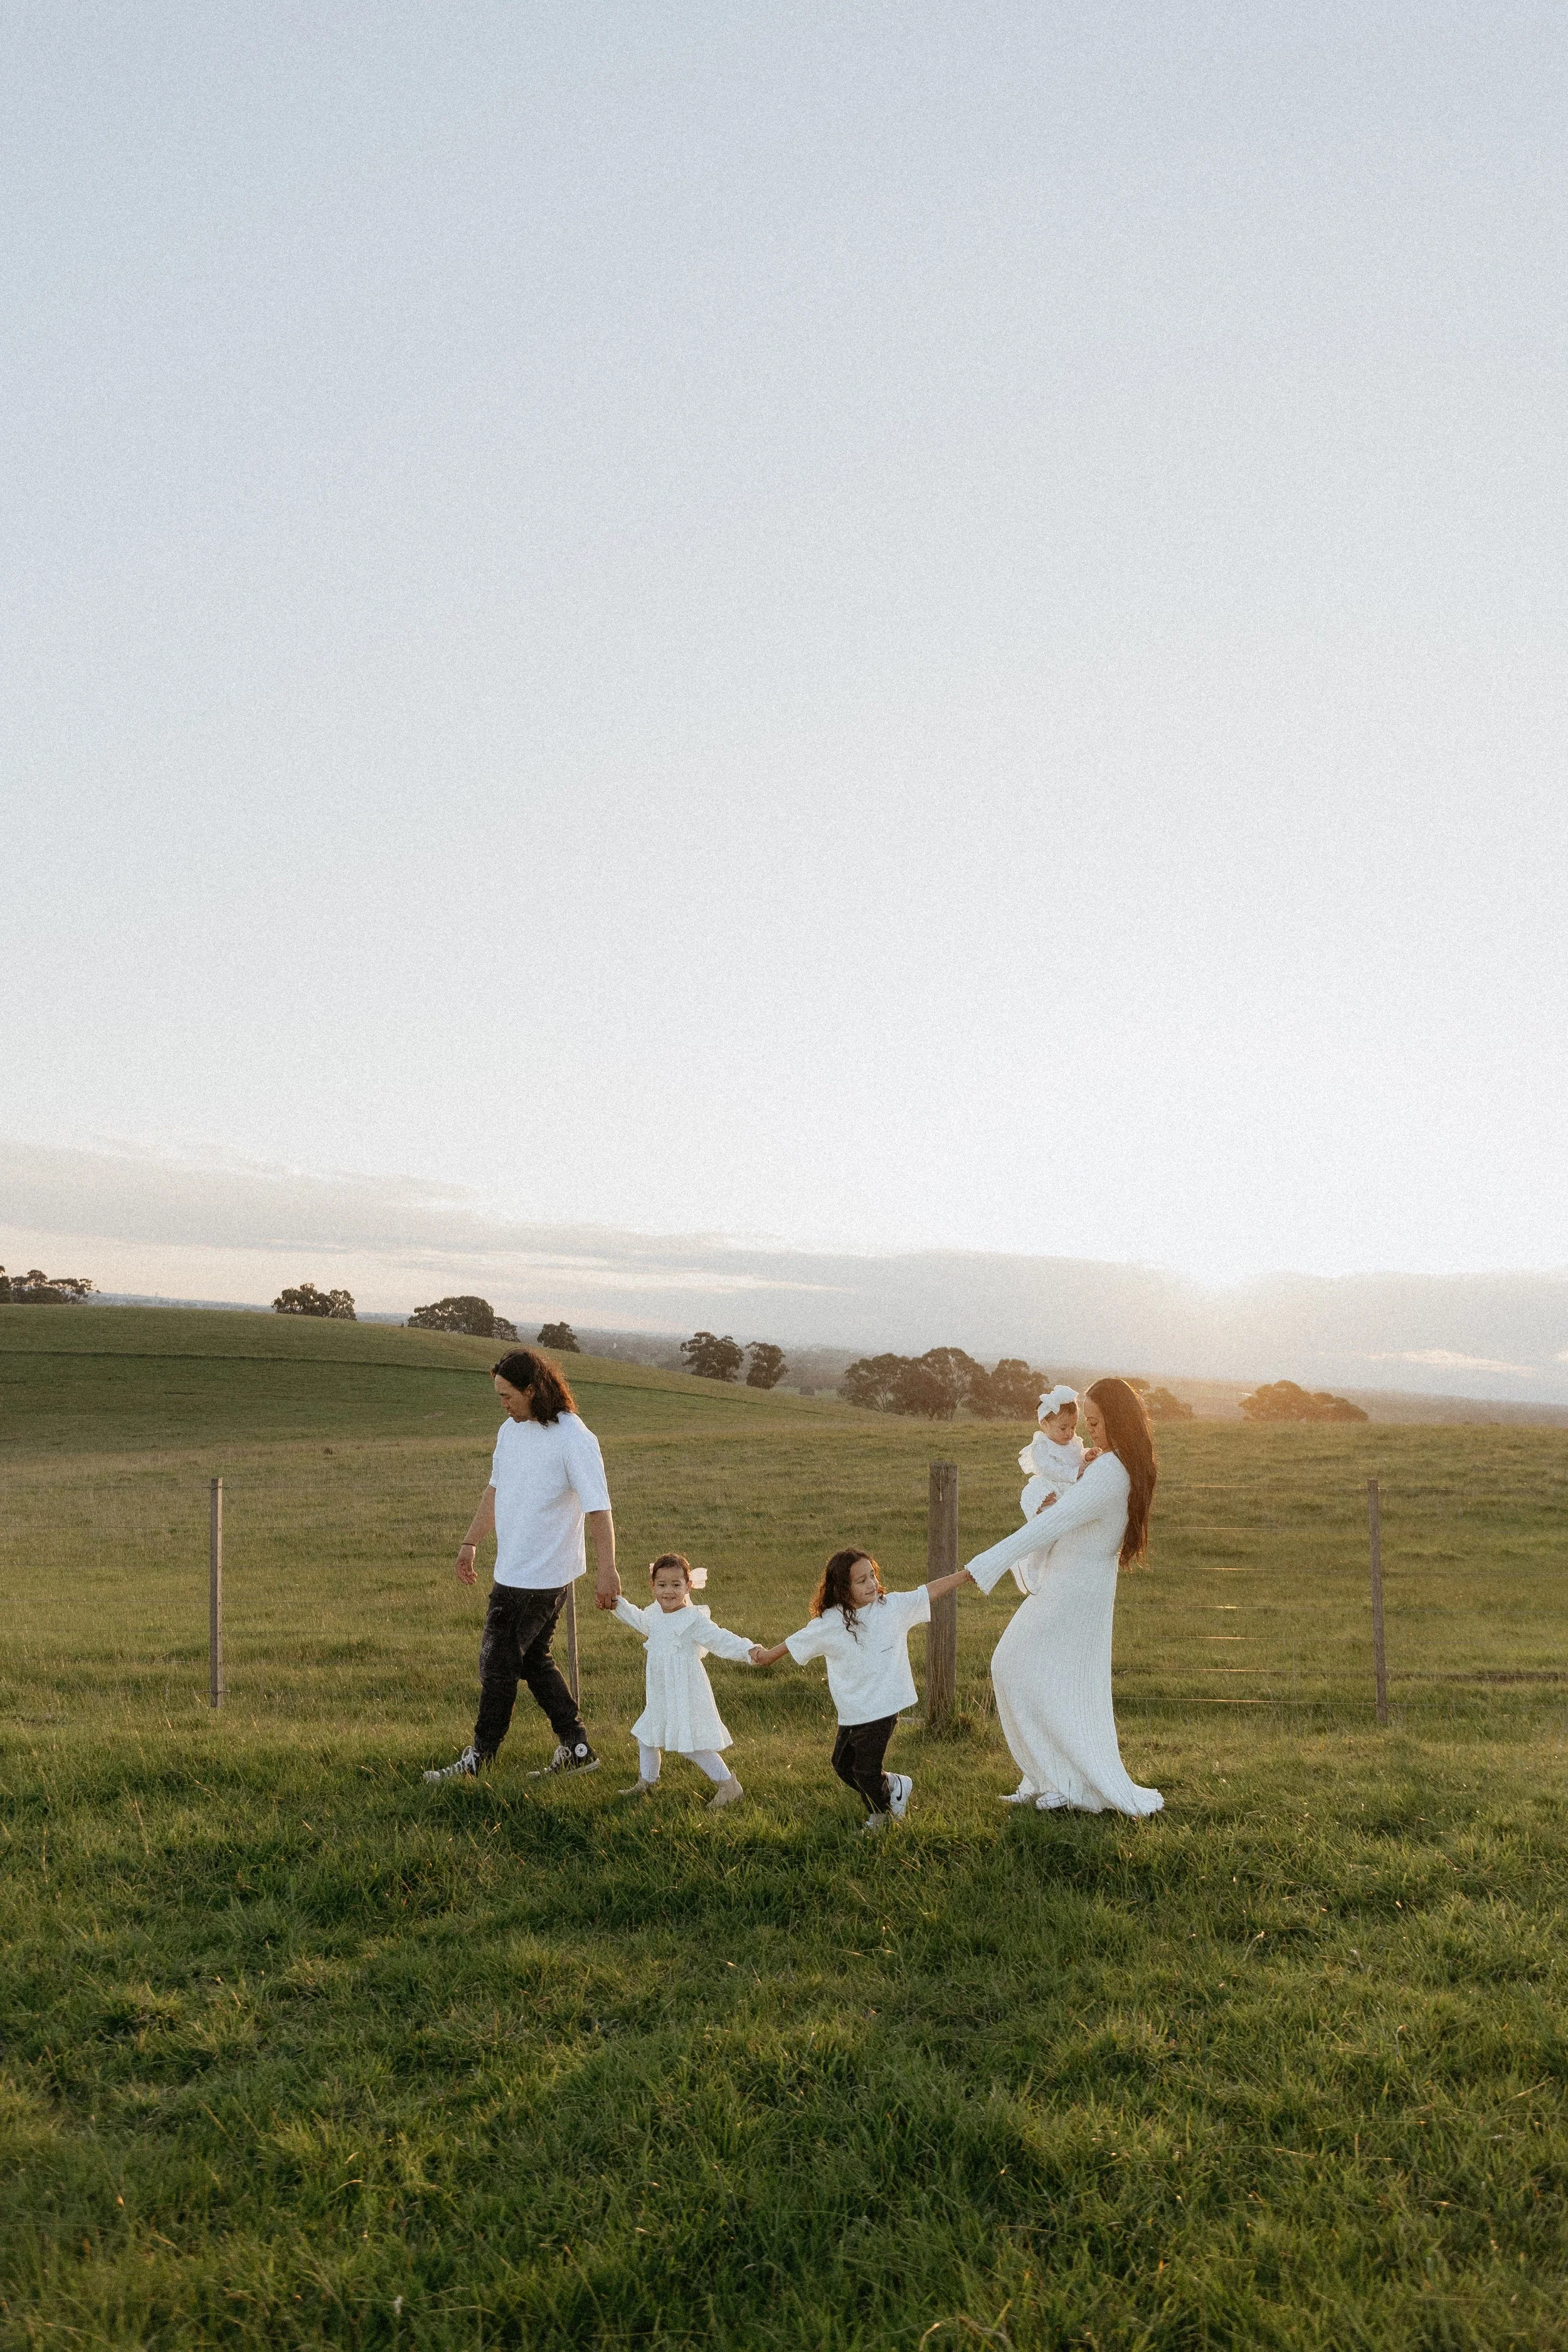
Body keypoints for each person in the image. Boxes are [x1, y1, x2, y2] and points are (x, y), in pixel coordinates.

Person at [963, 1376, 1163, 1818]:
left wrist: (984, 1565)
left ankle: (1062, 1783)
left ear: (1119, 1420)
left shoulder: (1112, 1471)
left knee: (1013, 1665)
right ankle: (1045, 1779)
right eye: (1086, 1421)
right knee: (1038, 1674)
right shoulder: (1111, 1464)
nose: (1089, 1430)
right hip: (1073, 1584)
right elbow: (1061, 1510)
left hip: (1075, 1590)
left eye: (1095, 1421)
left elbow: (1051, 1525)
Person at [424, 1347, 620, 1783]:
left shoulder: (574, 1437)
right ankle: (577, 1747)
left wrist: (608, 1571)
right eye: (499, 1396)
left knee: (497, 1666)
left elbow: (599, 1509)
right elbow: (495, 1491)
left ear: (533, 1390)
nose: (503, 1404)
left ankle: (479, 1759)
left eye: (508, 1395)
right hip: (512, 1568)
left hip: (541, 1575)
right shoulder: (510, 1433)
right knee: (534, 1662)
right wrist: (470, 1541)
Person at [751, 1547, 972, 1833]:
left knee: (865, 1771)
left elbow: (927, 1592)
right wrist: (765, 1656)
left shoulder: (891, 1608)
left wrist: (965, 1575)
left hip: (883, 1705)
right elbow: (795, 1642)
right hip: (853, 1709)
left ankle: (881, 1819)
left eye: (872, 1576)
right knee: (842, 1765)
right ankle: (894, 1784)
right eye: (862, 1581)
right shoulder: (830, 1622)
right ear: (843, 1588)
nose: (872, 1584)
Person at [611, 1552, 756, 1808]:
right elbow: (637, 1619)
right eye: (662, 1585)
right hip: (660, 1689)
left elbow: (720, 1639)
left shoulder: (693, 1619)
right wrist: (615, 1603)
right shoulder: (655, 1614)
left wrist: (749, 1651)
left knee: (691, 1743)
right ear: (652, 1586)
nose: (669, 1592)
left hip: (686, 1688)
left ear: (688, 1586)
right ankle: (647, 1782)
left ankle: (728, 1785)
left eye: (676, 1585)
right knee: (648, 1734)